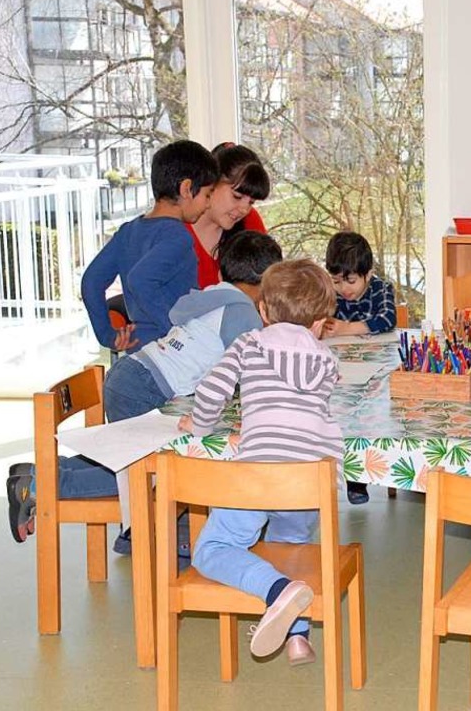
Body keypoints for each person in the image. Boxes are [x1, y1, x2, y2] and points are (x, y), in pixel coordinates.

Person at [6, 232, 284, 548]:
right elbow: (251, 371)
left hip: (133, 373)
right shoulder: (243, 312)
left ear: (222, 272)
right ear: (268, 283)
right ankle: (43, 486)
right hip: (146, 388)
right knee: (147, 472)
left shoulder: (214, 298)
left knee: (132, 458)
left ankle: (38, 472)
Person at [180, 258, 343, 667]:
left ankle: (275, 592)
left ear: (263, 311)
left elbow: (212, 391)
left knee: (212, 548)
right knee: (290, 550)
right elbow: (301, 413)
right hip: (308, 481)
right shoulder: (326, 360)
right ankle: (298, 635)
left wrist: (199, 427)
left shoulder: (249, 344)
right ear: (322, 320)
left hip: (257, 475)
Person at [82, 140, 218, 354]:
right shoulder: (178, 236)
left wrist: (107, 335)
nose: (208, 204)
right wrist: (177, 333)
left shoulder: (128, 231)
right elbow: (141, 280)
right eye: (208, 195)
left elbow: (91, 281)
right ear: (187, 189)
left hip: (139, 352)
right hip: (170, 359)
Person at [323, 230, 397, 505]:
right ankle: (350, 476)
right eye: (337, 281)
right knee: (340, 419)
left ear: (368, 272)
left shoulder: (381, 289)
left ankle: (364, 475)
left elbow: (387, 319)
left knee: (370, 420)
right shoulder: (329, 293)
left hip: (377, 369)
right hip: (341, 370)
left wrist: (348, 328)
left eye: (351, 280)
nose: (345, 289)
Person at [188, 142, 271, 289]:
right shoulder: (176, 231)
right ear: (212, 184)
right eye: (237, 196)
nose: (244, 209)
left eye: (251, 202)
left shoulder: (250, 222)